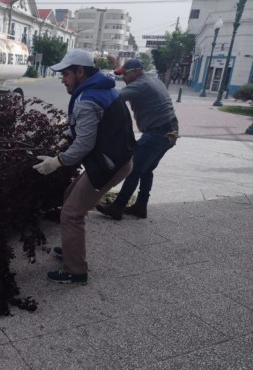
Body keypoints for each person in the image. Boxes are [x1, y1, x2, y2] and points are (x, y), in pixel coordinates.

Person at [32, 49, 136, 284]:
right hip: (115, 158)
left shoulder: (88, 99)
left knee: (71, 213)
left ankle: (75, 270)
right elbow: (86, 125)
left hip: (109, 165)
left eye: (66, 74)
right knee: (70, 195)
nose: (62, 79)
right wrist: (66, 138)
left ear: (80, 72)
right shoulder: (102, 89)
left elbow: (85, 143)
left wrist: (57, 162)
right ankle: (72, 248)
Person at [96, 59, 179, 220]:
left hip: (158, 133)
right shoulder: (153, 80)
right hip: (170, 132)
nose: (123, 78)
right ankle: (140, 206)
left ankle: (118, 207)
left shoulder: (141, 85)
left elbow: (114, 100)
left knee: (133, 169)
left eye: (125, 74)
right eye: (121, 75)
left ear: (137, 72)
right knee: (146, 170)